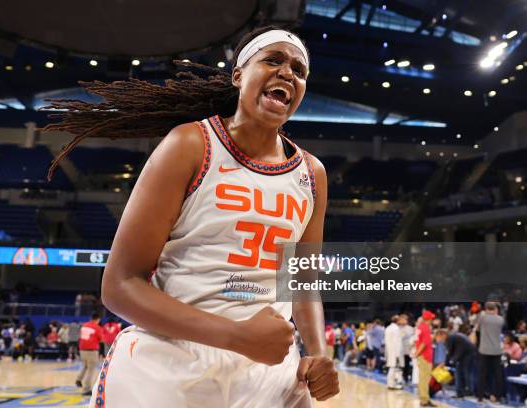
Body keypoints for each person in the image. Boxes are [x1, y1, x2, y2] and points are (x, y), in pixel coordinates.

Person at [45, 26, 338, 407]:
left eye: (299, 70)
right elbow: (119, 285)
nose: (288, 73)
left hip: (268, 372)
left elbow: (302, 283)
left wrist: (317, 352)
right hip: (172, 362)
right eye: (273, 60)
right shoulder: (190, 144)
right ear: (238, 75)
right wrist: (237, 336)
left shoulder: (311, 174)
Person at [475, 302, 504, 403]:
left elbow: (477, 330)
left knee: (482, 375)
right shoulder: (500, 319)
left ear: (486, 308)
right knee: (497, 375)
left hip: (484, 350)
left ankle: (480, 397)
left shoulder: (482, 318)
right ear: (495, 308)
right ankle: (498, 396)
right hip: (496, 350)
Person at [437, 328, 476, 398]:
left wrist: (446, 363)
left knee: (465, 372)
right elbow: (451, 353)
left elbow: (450, 353)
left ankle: (470, 390)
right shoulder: (452, 337)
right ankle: (460, 392)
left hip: (467, 354)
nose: (439, 339)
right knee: (459, 372)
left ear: (443, 335)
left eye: (439, 337)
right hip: (465, 353)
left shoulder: (450, 338)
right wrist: (447, 362)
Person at [76, 312, 104, 396]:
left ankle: (78, 379)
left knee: (85, 366)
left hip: (82, 349)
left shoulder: (84, 325)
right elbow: (101, 340)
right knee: (91, 370)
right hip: (91, 350)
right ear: (98, 319)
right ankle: (86, 389)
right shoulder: (97, 327)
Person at [415, 310, 435, 407]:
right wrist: (417, 354)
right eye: (431, 318)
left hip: (422, 356)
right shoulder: (426, 328)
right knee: (424, 379)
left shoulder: (420, 327)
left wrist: (417, 354)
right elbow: (424, 343)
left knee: (422, 378)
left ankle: (424, 398)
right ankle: (424, 400)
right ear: (429, 319)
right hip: (425, 356)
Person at [385, 315, 404, 390]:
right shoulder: (396, 329)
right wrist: (397, 355)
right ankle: (392, 384)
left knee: (391, 368)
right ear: (397, 321)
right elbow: (397, 342)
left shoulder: (388, 328)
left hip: (389, 351)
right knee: (394, 369)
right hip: (395, 352)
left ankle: (390, 383)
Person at [398, 314, 414, 384]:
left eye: (403, 319)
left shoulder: (410, 329)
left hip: (406, 350)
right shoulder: (397, 328)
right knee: (399, 365)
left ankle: (406, 378)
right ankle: (399, 378)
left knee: (406, 365)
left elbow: (412, 339)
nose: (401, 321)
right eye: (400, 319)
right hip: (398, 350)